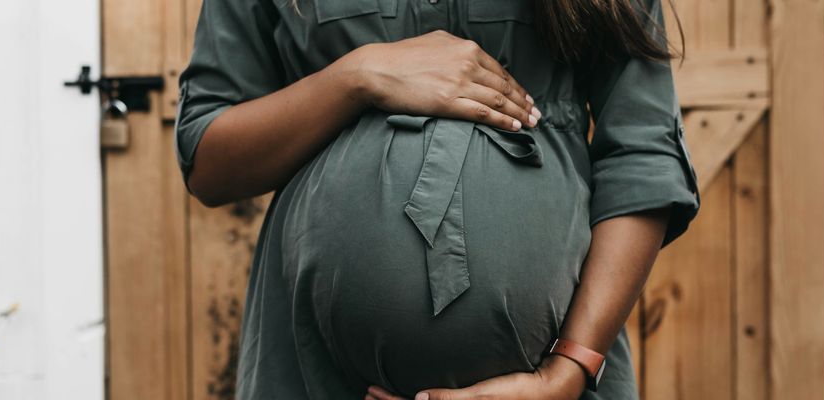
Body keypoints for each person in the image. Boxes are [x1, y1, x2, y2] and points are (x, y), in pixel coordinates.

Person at [174, 0, 699, 398]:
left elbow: (642, 153)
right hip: (315, 373)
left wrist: (570, 370)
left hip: (558, 374)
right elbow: (208, 161)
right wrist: (357, 77)